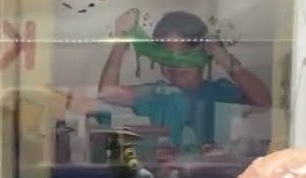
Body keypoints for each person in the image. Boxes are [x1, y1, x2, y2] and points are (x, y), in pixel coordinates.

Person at [97, 8, 271, 154]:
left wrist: (225, 59)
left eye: (184, 58)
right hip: (168, 172)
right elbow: (107, 93)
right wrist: (120, 41)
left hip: (213, 172)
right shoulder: (156, 94)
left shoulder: (220, 92)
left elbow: (263, 102)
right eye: (166, 58)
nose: (175, 66)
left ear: (203, 56)